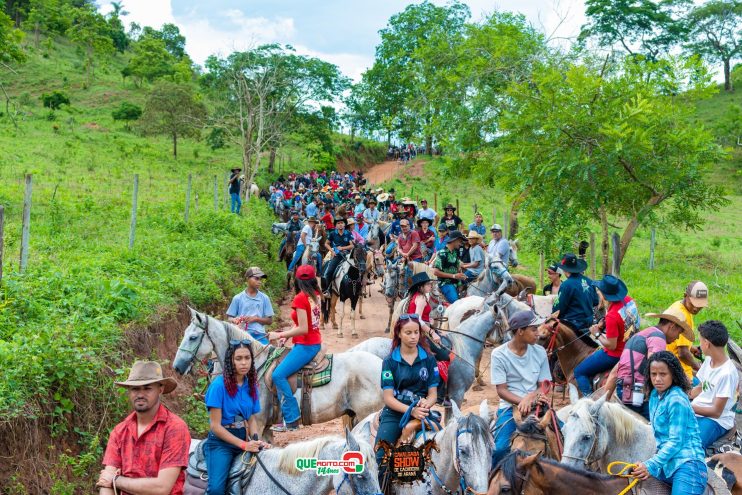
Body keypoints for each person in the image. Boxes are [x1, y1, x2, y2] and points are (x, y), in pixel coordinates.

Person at [98, 362, 190, 495]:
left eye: (147, 388)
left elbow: (162, 488)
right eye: (135, 389)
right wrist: (111, 481)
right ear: (129, 391)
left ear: (160, 389)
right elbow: (106, 482)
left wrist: (115, 480)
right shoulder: (120, 431)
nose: (140, 394)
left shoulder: (175, 428)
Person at [375, 314, 439, 490]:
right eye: (408, 332)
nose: (413, 337)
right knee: (380, 455)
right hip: (396, 412)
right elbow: (388, 398)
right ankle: (380, 490)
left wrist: (427, 404)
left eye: (416, 332)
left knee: (448, 446)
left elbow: (433, 393)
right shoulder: (389, 362)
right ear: (399, 334)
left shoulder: (429, 359)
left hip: (422, 410)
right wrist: (411, 412)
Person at [631, 352, 707, 495]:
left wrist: (649, 465)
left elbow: (676, 441)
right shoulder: (654, 395)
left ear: (673, 374)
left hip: (687, 465)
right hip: (666, 465)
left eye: (663, 374)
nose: (657, 379)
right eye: (653, 374)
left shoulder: (677, 399)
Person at [203, 342, 270, 494]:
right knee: (217, 489)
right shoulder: (218, 386)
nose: (244, 362)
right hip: (221, 443)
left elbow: (251, 418)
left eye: (247, 358)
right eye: (238, 358)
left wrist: (255, 440)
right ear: (230, 361)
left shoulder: (251, 385)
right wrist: (243, 445)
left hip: (242, 437)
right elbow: (215, 426)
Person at [490, 310, 551, 468]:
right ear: (520, 331)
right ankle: (494, 482)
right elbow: (501, 390)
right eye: (534, 329)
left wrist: (531, 397)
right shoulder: (499, 354)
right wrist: (522, 401)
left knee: (564, 436)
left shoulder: (540, 351)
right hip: (510, 407)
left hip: (537, 403)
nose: (538, 333)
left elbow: (544, 385)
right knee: (500, 449)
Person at [610, 305, 692, 419]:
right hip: (638, 392)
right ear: (672, 326)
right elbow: (656, 366)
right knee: (663, 422)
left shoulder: (645, 333)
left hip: (625, 388)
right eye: (679, 332)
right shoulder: (658, 337)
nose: (678, 337)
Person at [267, 265, 323, 432]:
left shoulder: (300, 298)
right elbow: (301, 323)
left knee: (278, 374)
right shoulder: (316, 295)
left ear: (297, 281)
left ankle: (291, 418)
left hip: (306, 345)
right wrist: (287, 335)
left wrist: (278, 335)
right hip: (314, 341)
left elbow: (303, 328)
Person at [573, 275, 637, 397]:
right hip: (631, 347)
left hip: (616, 354)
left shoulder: (612, 316)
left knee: (579, 372)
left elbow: (611, 346)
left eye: (599, 291)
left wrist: (596, 333)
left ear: (604, 295)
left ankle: (590, 401)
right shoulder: (629, 301)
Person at [690, 320, 739, 449]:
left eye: (700, 341)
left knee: (692, 446)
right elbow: (701, 388)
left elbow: (716, 412)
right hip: (697, 409)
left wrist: (687, 407)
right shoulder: (708, 360)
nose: (699, 344)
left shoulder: (727, 374)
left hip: (715, 420)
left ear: (707, 344)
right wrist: (681, 394)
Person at [667, 281, 709, 385]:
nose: (695, 309)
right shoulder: (683, 316)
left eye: (699, 306)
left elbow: (678, 341)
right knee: (709, 387)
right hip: (679, 373)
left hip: (670, 364)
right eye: (693, 304)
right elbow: (683, 354)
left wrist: (691, 347)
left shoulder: (678, 305)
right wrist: (699, 368)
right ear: (685, 296)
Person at [551, 253, 599, 342]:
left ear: (565, 270)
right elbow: (596, 301)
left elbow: (558, 309)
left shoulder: (566, 285)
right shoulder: (589, 281)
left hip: (572, 325)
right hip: (588, 323)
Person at [226, 267, 274, 345]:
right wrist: (234, 320)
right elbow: (229, 317)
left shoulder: (264, 298)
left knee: (267, 352)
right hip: (240, 334)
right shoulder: (238, 298)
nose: (259, 282)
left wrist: (256, 319)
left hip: (259, 335)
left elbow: (270, 321)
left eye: (260, 279)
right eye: (256, 279)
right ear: (248, 279)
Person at [432, 231, 467, 304]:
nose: (461, 244)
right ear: (455, 240)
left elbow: (457, 268)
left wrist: (461, 275)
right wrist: (454, 276)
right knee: (456, 304)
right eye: (460, 241)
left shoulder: (455, 252)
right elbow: (435, 272)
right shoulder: (442, 253)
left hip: (456, 283)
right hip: (446, 284)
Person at [322, 217, 354, 292]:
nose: (340, 225)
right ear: (336, 226)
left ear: (344, 224)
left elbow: (352, 245)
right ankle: (327, 290)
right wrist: (332, 251)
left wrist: (343, 248)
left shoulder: (348, 233)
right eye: (338, 223)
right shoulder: (332, 233)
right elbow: (326, 244)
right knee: (329, 272)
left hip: (347, 255)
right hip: (337, 256)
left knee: (358, 268)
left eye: (342, 223)